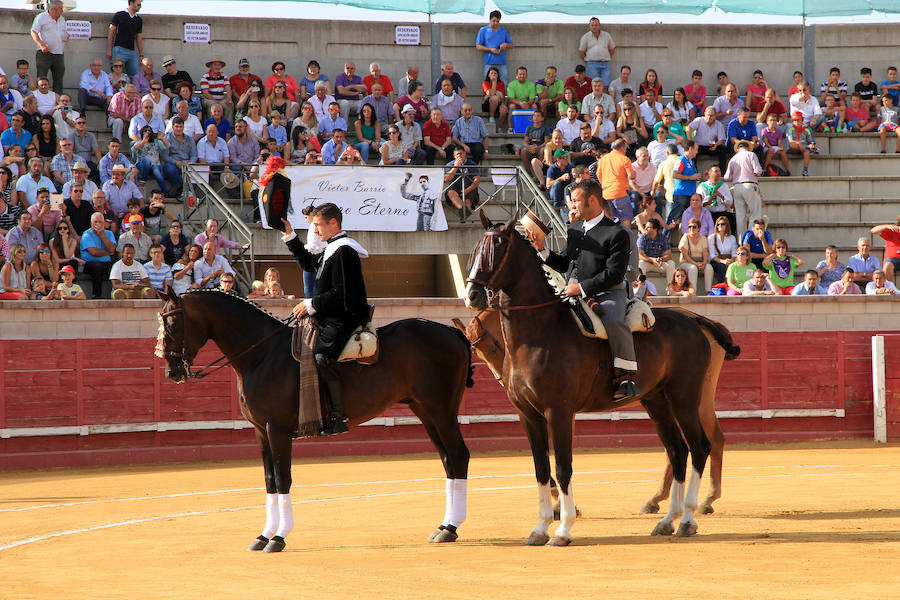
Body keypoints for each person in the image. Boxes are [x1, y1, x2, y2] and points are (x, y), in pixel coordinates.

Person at [527, 179, 640, 400]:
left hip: (608, 293)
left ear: (592, 200)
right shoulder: (575, 229)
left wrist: (580, 287)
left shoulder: (618, 233)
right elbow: (565, 264)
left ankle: (626, 378)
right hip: (573, 291)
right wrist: (542, 250)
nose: (572, 206)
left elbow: (614, 274)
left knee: (614, 320)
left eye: (576, 201)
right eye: (571, 202)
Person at [283, 203, 370, 435]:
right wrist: (289, 235)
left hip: (345, 317)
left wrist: (311, 304)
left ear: (334, 223)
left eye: (319, 225)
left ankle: (338, 416)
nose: (316, 231)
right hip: (330, 314)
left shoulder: (345, 250)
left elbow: (343, 294)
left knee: (321, 356)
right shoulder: (332, 248)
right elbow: (308, 264)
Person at [723, 141, 763, 235]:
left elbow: (726, 177)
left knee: (740, 217)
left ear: (737, 149)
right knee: (755, 214)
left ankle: (741, 242)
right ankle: (750, 239)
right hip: (750, 184)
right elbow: (758, 171)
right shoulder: (751, 155)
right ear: (748, 147)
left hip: (737, 186)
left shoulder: (733, 159)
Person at [30, 0, 68, 95]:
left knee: (58, 79)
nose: (62, 11)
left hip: (59, 53)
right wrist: (42, 45)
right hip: (44, 53)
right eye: (61, 9)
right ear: (54, 9)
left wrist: (66, 36)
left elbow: (63, 33)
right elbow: (33, 32)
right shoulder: (41, 17)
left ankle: (58, 101)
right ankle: (41, 100)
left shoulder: (62, 19)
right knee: (42, 78)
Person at [80, 212, 117, 298]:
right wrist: (108, 253)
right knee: (97, 267)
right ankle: (97, 294)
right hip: (90, 263)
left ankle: (116, 293)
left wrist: (103, 235)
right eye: (95, 222)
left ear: (104, 223)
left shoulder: (109, 233)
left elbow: (112, 249)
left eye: (100, 222)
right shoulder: (87, 234)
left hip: (106, 262)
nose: (98, 224)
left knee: (115, 267)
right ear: (91, 223)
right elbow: (94, 252)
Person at [443, 145, 480, 222]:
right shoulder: (450, 165)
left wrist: (467, 190)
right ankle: (463, 211)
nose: (459, 156)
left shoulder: (472, 164)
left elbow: (477, 181)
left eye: (461, 154)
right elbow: (446, 179)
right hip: (454, 188)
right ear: (454, 156)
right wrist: (455, 167)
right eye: (457, 154)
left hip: (469, 188)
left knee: (467, 200)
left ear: (465, 154)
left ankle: (463, 217)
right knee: (451, 192)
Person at [475, 10, 514, 82]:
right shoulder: (483, 30)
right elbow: (478, 46)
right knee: (488, 83)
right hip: (489, 62)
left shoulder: (503, 31)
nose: (496, 23)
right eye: (494, 21)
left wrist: (505, 45)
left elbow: (512, 45)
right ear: (490, 19)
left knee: (504, 82)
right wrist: (490, 50)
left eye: (498, 21)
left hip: (502, 62)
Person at [678, 217, 712, 292]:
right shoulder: (685, 237)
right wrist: (695, 264)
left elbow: (705, 253)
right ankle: (693, 292)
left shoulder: (703, 238)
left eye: (694, 227)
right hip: (686, 262)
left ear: (698, 228)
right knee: (693, 268)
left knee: (709, 267)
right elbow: (685, 255)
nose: (691, 229)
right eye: (689, 227)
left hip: (700, 261)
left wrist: (704, 262)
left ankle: (708, 292)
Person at [637, 217, 676, 282]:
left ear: (655, 229)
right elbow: (639, 255)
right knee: (640, 264)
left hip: (659, 263)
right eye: (645, 226)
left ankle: (670, 288)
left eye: (648, 227)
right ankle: (642, 287)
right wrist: (651, 259)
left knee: (671, 263)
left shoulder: (663, 237)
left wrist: (661, 259)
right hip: (647, 263)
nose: (645, 228)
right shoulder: (642, 238)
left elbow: (668, 255)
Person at [578, 18, 615, 85]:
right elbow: (581, 51)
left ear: (599, 25)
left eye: (596, 25)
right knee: (593, 84)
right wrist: (587, 60)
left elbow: (612, 49)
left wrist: (605, 57)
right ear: (590, 26)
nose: (594, 27)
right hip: (592, 64)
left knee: (606, 84)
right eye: (592, 25)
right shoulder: (585, 37)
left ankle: (604, 96)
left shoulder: (606, 35)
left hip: (605, 64)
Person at [520, 110, 552, 183]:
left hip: (540, 147)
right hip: (531, 147)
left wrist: (538, 147)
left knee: (543, 151)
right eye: (534, 116)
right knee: (524, 151)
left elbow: (547, 141)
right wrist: (529, 147)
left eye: (538, 116)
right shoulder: (529, 128)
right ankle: (529, 173)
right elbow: (525, 142)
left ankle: (539, 170)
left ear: (542, 118)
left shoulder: (545, 128)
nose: (536, 117)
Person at [546, 149, 574, 223]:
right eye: (564, 158)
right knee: (557, 184)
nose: (566, 159)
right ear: (558, 159)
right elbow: (548, 185)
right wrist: (561, 178)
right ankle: (556, 207)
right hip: (555, 192)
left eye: (567, 157)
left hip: (565, 192)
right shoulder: (552, 168)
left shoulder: (570, 167)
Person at [707, 215, 737, 284]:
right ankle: (721, 286)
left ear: (726, 225)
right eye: (718, 224)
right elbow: (712, 255)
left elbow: (734, 253)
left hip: (728, 259)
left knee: (734, 265)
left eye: (722, 224)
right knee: (721, 266)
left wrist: (731, 260)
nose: (720, 226)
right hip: (716, 261)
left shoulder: (732, 238)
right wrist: (723, 261)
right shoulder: (711, 238)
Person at [786, 111, 815, 177]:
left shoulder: (806, 130)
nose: (797, 122)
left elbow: (810, 141)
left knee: (806, 152)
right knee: (793, 145)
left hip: (803, 147)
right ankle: (804, 149)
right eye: (795, 120)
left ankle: (805, 170)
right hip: (795, 147)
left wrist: (811, 145)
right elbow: (790, 140)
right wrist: (798, 143)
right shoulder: (790, 129)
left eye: (799, 120)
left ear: (802, 121)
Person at [870, 217, 900, 281]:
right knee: (887, 265)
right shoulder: (893, 231)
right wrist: (887, 226)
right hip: (892, 260)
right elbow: (873, 230)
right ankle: (889, 287)